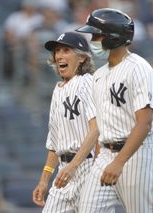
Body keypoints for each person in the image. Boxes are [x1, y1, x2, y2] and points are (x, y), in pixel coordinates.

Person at [74, 8, 153, 213]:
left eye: (97, 35)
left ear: (113, 37)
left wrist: (119, 162)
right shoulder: (98, 75)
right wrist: (102, 159)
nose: (93, 40)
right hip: (106, 154)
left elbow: (144, 123)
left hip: (138, 156)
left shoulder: (139, 68)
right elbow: (102, 125)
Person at [32, 31, 98, 212]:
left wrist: (74, 166)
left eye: (66, 50)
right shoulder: (58, 90)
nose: (59, 55)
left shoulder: (88, 82)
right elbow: (54, 143)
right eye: (57, 51)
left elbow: (96, 129)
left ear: (82, 58)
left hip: (88, 168)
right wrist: (44, 180)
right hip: (64, 170)